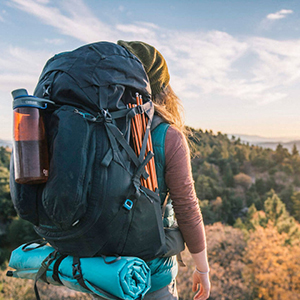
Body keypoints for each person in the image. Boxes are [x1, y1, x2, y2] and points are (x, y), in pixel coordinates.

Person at [115, 40, 211, 300]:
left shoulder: (97, 128)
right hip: (150, 277)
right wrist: (202, 268)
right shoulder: (166, 136)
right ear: (160, 87)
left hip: (103, 271)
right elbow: (186, 207)